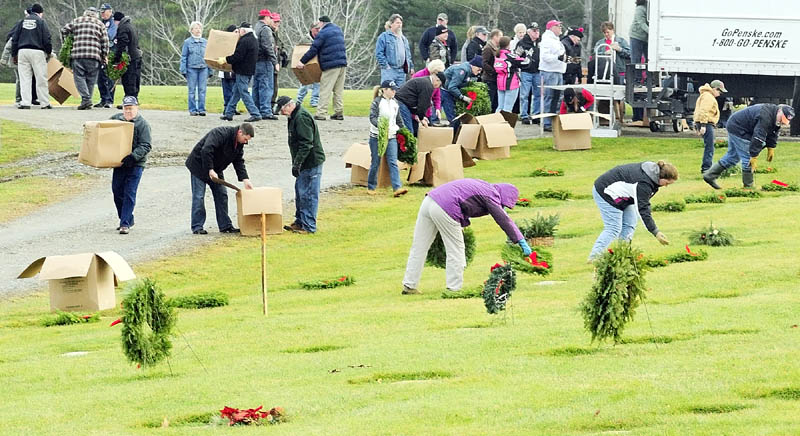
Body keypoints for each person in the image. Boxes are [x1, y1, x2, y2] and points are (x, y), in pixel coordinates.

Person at [401, 178, 531, 294]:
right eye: (504, 204)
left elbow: (464, 202)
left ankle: (409, 284)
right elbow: (503, 219)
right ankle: (454, 288)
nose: (502, 207)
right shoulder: (492, 195)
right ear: (503, 195)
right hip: (444, 207)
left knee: (419, 247)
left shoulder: (484, 186)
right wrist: (520, 239)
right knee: (456, 249)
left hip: (429, 201)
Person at [588, 161, 677, 261]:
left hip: (624, 196)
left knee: (629, 224)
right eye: (667, 183)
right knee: (613, 227)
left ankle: (624, 255)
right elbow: (643, 209)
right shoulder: (644, 183)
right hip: (605, 192)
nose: (666, 186)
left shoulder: (652, 174)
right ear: (661, 178)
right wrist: (655, 232)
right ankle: (594, 257)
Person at [185, 123, 256, 234]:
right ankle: (197, 227)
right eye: (245, 139)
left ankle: (225, 226)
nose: (246, 142)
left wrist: (245, 179)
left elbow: (238, 161)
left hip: (216, 169)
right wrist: (210, 169)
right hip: (198, 166)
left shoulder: (239, 144)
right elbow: (206, 150)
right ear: (240, 132)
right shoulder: (220, 133)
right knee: (199, 196)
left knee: (222, 194)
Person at [703, 104, 794, 189]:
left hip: (737, 125)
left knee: (732, 157)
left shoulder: (775, 117)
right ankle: (748, 187)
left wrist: (771, 147)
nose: (782, 122)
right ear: (779, 111)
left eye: (784, 121)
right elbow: (758, 137)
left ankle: (709, 176)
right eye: (782, 119)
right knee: (747, 157)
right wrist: (754, 156)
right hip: (738, 128)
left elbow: (773, 131)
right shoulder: (765, 117)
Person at [274, 96, 326, 234]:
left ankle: (308, 226)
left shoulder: (301, 118)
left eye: (282, 110)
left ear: (289, 106)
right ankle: (300, 222)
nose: (282, 113)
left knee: (308, 194)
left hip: (310, 162)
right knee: (300, 191)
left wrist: (297, 163)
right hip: (304, 163)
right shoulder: (294, 116)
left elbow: (306, 143)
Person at [110, 96, 151, 235]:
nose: (128, 111)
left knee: (129, 193)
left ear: (136, 108)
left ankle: (124, 224)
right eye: (126, 108)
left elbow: (146, 145)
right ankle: (127, 217)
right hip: (120, 163)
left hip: (136, 164)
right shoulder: (116, 120)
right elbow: (104, 130)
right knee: (117, 191)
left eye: (131, 108)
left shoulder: (143, 124)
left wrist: (133, 157)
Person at [296, 16, 347, 121]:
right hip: (342, 64)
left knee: (325, 89)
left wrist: (302, 61)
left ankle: (321, 113)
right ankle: (338, 112)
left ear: (321, 23)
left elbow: (314, 49)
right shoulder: (338, 30)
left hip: (330, 64)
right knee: (338, 90)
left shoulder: (323, 33)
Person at [61, 8, 108, 110]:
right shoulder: (100, 24)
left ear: (85, 14)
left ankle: (86, 99)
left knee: (79, 77)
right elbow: (105, 42)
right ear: (96, 15)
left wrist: (67, 42)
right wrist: (104, 56)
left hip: (78, 54)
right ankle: (87, 100)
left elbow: (64, 30)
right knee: (91, 79)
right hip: (94, 56)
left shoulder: (77, 20)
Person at [367, 80, 407, 197]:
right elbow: (372, 117)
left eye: (395, 89)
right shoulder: (377, 102)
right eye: (391, 89)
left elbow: (398, 119)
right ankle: (371, 185)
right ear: (384, 90)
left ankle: (397, 187)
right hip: (377, 137)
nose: (394, 91)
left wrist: (404, 131)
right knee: (375, 162)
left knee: (393, 162)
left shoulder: (395, 103)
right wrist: (380, 126)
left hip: (392, 136)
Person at [10, 4, 50, 110]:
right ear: (40, 13)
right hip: (37, 51)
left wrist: (14, 54)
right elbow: (46, 38)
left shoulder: (22, 22)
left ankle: (25, 102)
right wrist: (49, 52)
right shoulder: (41, 22)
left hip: (22, 51)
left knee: (24, 78)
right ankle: (44, 103)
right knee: (41, 77)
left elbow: (14, 39)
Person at [218, 23, 261, 122]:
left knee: (244, 93)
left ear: (243, 31)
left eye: (240, 30)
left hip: (242, 71)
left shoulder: (244, 41)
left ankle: (255, 113)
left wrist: (226, 59)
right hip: (249, 70)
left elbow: (238, 56)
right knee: (236, 93)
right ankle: (229, 113)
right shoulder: (253, 40)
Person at [693, 80, 727, 173]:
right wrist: (703, 125)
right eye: (719, 91)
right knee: (710, 147)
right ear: (715, 89)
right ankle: (706, 168)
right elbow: (704, 111)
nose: (719, 94)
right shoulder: (708, 97)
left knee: (709, 146)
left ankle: (707, 167)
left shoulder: (706, 95)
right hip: (707, 123)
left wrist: (697, 124)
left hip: (705, 123)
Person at [180, 21, 211, 116]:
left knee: (202, 90)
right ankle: (193, 109)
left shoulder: (205, 42)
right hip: (191, 69)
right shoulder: (187, 42)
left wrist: (210, 70)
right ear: (191, 30)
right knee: (192, 90)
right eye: (196, 28)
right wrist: (183, 70)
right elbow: (184, 56)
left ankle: (202, 109)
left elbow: (209, 56)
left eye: (199, 28)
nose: (198, 30)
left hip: (203, 68)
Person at [540, 20, 566, 131]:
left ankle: (554, 120)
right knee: (549, 97)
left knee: (558, 97)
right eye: (558, 26)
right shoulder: (547, 39)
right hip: (549, 71)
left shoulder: (556, 40)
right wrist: (557, 58)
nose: (560, 27)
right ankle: (546, 122)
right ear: (551, 28)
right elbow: (545, 56)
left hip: (558, 70)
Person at [252, 9, 278, 120]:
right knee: (266, 86)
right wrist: (275, 61)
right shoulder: (265, 29)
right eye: (270, 18)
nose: (271, 20)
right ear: (266, 18)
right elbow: (268, 47)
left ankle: (256, 108)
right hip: (265, 61)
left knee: (256, 86)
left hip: (256, 61)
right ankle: (266, 111)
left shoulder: (255, 28)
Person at [441, 56, 482, 125]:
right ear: (473, 66)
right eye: (479, 69)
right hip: (445, 92)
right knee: (453, 118)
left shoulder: (468, 69)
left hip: (449, 91)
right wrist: (463, 97)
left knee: (455, 117)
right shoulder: (462, 70)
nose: (479, 72)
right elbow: (452, 87)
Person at [375, 14, 413, 85]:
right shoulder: (383, 37)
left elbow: (408, 55)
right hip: (389, 70)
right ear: (391, 24)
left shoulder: (404, 39)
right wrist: (386, 66)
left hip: (401, 71)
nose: (399, 25)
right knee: (388, 92)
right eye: (397, 23)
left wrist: (411, 67)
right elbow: (379, 53)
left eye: (400, 23)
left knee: (400, 93)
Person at [112, 12, 142, 104]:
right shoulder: (131, 26)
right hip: (137, 55)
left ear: (117, 21)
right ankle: (134, 98)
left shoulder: (123, 28)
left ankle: (129, 100)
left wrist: (117, 58)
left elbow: (122, 44)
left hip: (130, 58)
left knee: (128, 79)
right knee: (135, 78)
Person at [516, 22, 541, 125]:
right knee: (524, 95)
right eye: (534, 31)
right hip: (526, 71)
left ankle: (535, 115)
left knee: (538, 94)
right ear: (529, 32)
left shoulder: (540, 43)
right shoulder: (522, 43)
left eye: (537, 31)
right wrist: (522, 64)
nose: (536, 33)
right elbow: (516, 56)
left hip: (538, 71)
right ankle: (524, 115)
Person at [629, 0, 649, 122]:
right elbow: (641, 23)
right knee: (636, 59)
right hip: (636, 36)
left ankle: (647, 79)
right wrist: (653, 32)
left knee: (648, 59)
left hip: (646, 38)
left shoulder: (649, 8)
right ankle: (636, 80)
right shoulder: (640, 9)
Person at [95, 3, 117, 108]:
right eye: (101, 12)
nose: (102, 14)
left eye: (104, 12)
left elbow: (110, 36)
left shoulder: (112, 23)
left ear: (110, 11)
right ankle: (103, 99)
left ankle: (109, 100)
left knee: (109, 77)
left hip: (110, 52)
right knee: (101, 78)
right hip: (101, 52)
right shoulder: (101, 22)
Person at [494, 36, 524, 113]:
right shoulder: (509, 55)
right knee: (508, 108)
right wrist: (528, 55)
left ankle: (496, 123)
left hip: (500, 83)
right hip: (511, 83)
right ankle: (505, 124)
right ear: (508, 45)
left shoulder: (497, 55)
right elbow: (525, 62)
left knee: (500, 106)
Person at [411, 59, 445, 125]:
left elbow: (437, 96)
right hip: (415, 108)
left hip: (427, 109)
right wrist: (416, 114)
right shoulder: (418, 76)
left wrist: (437, 108)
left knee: (429, 127)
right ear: (434, 72)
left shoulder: (436, 79)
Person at [296, 25, 320, 107]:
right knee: (305, 84)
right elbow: (299, 51)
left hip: (317, 64)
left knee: (317, 83)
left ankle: (314, 102)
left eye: (319, 29)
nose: (318, 31)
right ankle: (298, 101)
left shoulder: (320, 38)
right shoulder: (305, 39)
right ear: (311, 29)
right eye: (316, 29)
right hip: (305, 64)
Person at [269, 12, 288, 109]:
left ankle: (271, 105)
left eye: (278, 21)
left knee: (274, 86)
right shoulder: (268, 31)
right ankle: (268, 106)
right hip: (270, 62)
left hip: (276, 61)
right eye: (275, 21)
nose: (277, 23)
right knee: (270, 86)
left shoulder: (276, 32)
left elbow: (281, 45)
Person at [481, 29, 503, 112]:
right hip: (489, 78)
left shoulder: (497, 48)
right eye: (500, 36)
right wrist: (494, 71)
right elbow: (484, 63)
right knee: (490, 100)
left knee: (495, 102)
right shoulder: (488, 48)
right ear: (495, 37)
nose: (501, 38)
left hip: (495, 79)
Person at [219, 24, 238, 113]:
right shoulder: (224, 43)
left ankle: (233, 107)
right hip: (225, 70)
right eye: (235, 32)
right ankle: (227, 106)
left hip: (235, 70)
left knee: (234, 90)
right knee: (227, 90)